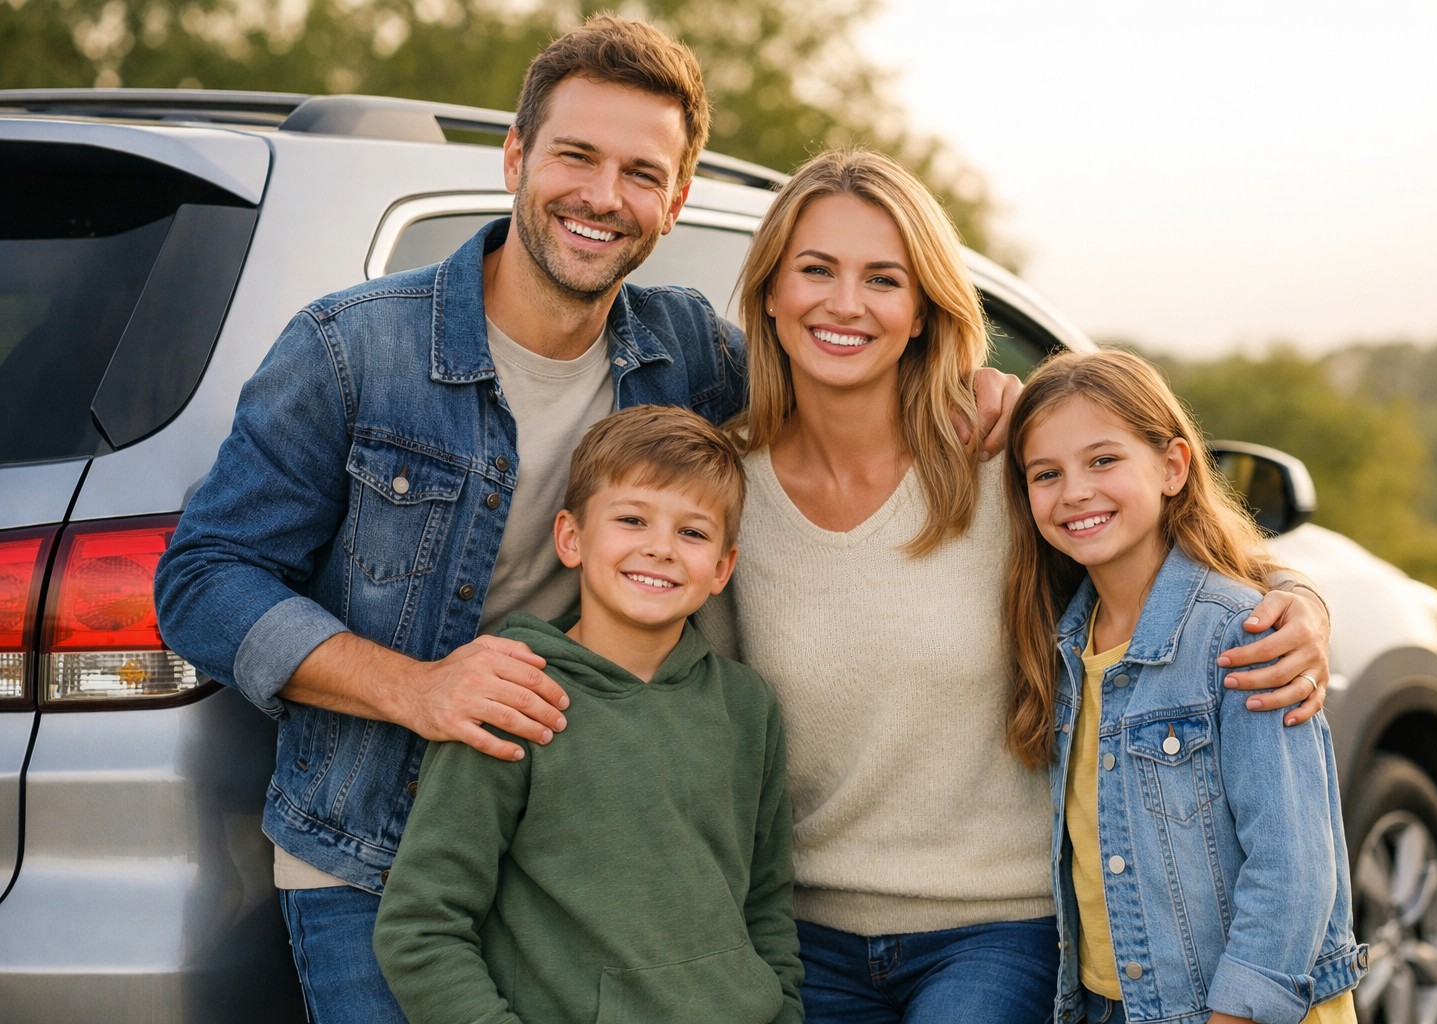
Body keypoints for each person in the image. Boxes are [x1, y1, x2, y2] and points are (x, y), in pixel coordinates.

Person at [152, 16, 1018, 1020]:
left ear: (677, 199)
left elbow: (831, 376)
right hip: (373, 850)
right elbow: (203, 578)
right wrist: (418, 689)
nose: (604, 197)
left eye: (641, 173)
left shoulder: (685, 356)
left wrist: (986, 393)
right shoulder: (353, 351)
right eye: (576, 155)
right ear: (516, 157)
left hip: (579, 869)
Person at [700, 148, 1335, 1023]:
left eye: (883, 278)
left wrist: (1298, 603)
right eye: (816, 270)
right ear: (770, 291)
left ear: (922, 308)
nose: (845, 304)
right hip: (800, 931)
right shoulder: (724, 487)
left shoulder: (998, 455)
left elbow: (1179, 556)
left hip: (996, 929)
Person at [373, 405, 802, 1024]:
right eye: (632, 520)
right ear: (571, 538)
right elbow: (421, 925)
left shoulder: (747, 707)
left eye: (693, 532)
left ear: (722, 569)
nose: (660, 549)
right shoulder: (512, 697)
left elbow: (766, 905)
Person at [1003, 349, 1365, 1024]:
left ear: (1173, 467)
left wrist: (1236, 1014)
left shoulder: (1242, 637)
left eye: (1103, 460)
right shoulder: (1062, 642)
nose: (1075, 490)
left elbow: (1293, 868)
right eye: (1045, 473)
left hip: (1243, 1009)